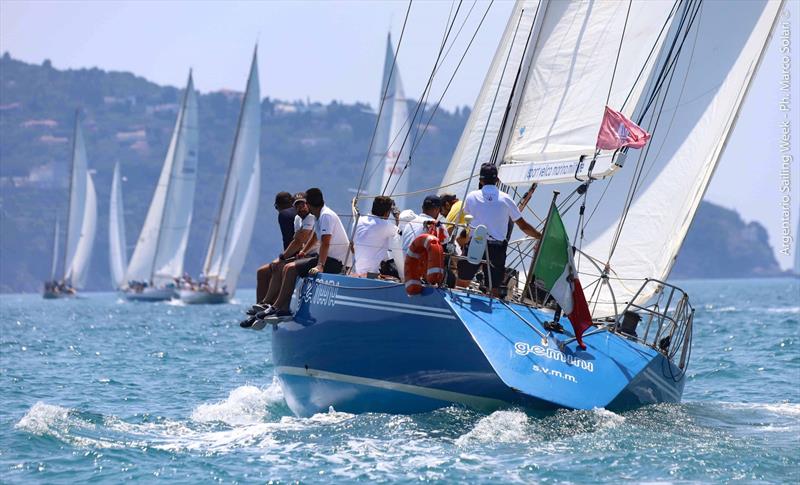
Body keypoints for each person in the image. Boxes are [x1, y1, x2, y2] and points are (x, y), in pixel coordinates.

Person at [258, 188, 349, 322]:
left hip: (336, 262)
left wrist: (320, 266)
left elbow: (325, 242)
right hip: (326, 258)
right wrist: (303, 252)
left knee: (289, 268)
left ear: (309, 204)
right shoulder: (319, 215)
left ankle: (279, 308)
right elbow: (314, 238)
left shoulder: (326, 216)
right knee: (287, 266)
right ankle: (273, 305)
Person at [456, 163, 542, 295]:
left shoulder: (471, 196)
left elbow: (469, 217)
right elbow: (523, 226)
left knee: (462, 282)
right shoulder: (506, 198)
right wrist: (540, 236)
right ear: (497, 180)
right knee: (493, 289)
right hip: (496, 248)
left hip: (475, 243)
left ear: (481, 180)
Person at [242, 193, 316, 326]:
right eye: (296, 205)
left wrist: (282, 257)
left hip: (305, 255)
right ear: (293, 205)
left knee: (277, 268)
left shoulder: (289, 215)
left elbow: (297, 242)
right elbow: (296, 241)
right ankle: (261, 309)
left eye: (302, 204)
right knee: (263, 271)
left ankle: (267, 306)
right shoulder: (298, 219)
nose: (299, 208)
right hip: (297, 254)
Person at [253, 191, 295, 302]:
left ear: (277, 206)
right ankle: (266, 305)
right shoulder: (297, 214)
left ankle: (263, 306)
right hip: (296, 255)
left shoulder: (284, 214)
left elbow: (290, 241)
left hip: (294, 256)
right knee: (266, 270)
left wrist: (282, 258)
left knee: (263, 272)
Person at [352, 196, 397, 276]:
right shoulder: (385, 225)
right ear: (387, 213)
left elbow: (352, 246)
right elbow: (400, 234)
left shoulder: (358, 221)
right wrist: (397, 215)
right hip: (372, 275)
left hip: (358, 271)